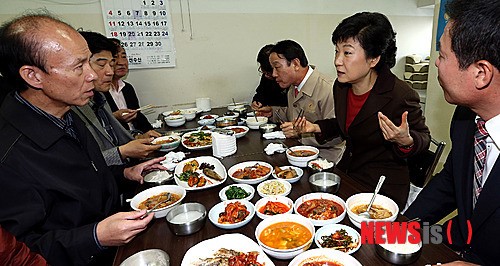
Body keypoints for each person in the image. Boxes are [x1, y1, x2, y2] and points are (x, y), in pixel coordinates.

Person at [0, 13, 165, 265]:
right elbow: (19, 253)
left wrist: (125, 174)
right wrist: (95, 236)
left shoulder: (67, 110)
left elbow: (83, 180)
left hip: (120, 243)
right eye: (79, 67)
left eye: (90, 62)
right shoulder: (9, 153)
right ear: (33, 76)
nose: (93, 75)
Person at [295, 12, 430, 209]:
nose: (337, 61)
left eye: (347, 53)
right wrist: (316, 127)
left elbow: (423, 138)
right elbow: (352, 124)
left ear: (373, 58)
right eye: (336, 51)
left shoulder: (399, 94)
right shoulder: (341, 87)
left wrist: (406, 141)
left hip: (380, 189)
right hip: (348, 173)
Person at [405, 0, 500, 265]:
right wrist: (405, 227)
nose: (436, 64)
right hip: (456, 241)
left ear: (481, 73)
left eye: (443, 55)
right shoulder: (465, 117)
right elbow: (451, 180)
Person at [73, 31, 161, 167]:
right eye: (102, 65)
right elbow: (83, 163)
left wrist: (138, 137)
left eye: (111, 64)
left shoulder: (98, 97)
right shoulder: (73, 106)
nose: (110, 72)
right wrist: (123, 152)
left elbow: (113, 136)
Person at [255, 39, 345, 163]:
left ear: (295, 64)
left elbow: (338, 134)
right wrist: (273, 112)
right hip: (298, 151)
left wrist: (300, 134)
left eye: (277, 67)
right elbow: (294, 115)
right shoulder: (293, 87)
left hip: (325, 159)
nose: (274, 74)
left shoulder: (328, 89)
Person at [104, 38, 158, 135]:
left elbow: (138, 116)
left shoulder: (127, 88)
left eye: (124, 56)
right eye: (115, 58)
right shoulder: (98, 93)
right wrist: (114, 117)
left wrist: (153, 133)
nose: (122, 62)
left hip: (138, 138)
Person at [250, 44, 287, 109]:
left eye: (268, 73)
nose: (266, 76)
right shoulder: (266, 77)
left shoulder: (288, 79)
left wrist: (272, 109)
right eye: (264, 72)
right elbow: (260, 94)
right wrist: (257, 102)